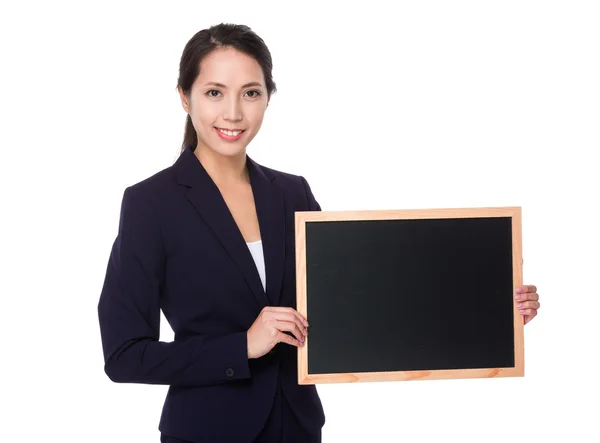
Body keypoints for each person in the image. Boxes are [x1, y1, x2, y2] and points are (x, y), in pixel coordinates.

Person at [97, 23, 541, 443]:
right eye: (214, 92)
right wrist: (242, 347)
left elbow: (352, 308)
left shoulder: (291, 192)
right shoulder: (151, 204)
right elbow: (124, 355)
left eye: (250, 93)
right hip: (207, 431)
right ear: (184, 97)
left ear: (267, 97)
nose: (233, 112)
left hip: (298, 427)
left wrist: (490, 310)